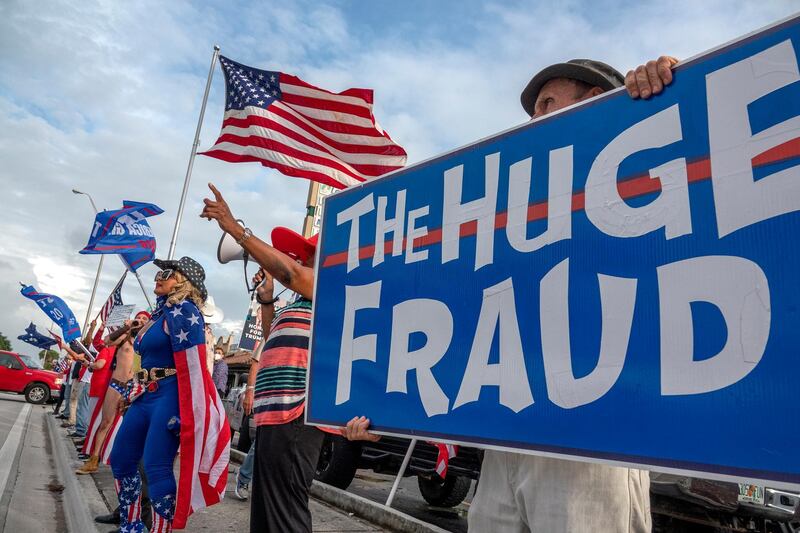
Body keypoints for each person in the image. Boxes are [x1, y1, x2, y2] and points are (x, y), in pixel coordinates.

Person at [342, 56, 679, 533]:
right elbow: (450, 319)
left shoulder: (635, 180)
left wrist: (673, 86)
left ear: (597, 100)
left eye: (547, 103)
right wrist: (383, 406)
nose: (535, 121)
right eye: (533, 112)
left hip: (585, 446)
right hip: (506, 442)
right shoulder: (505, 218)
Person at [202, 184, 336, 533]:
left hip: (296, 415)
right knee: (267, 508)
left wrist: (235, 229)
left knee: (285, 513)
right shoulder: (300, 303)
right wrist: (266, 301)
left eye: (306, 254)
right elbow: (272, 335)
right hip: (276, 415)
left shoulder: (331, 286)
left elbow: (292, 273)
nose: (298, 259)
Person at [109, 257, 230, 532]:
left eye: (166, 273)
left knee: (156, 466)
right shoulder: (159, 315)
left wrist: (187, 411)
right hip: (145, 396)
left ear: (183, 281)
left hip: (170, 396)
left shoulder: (185, 311)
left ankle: (159, 530)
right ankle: (131, 526)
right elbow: (144, 361)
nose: (157, 278)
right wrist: (132, 390)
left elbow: (196, 366)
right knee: (122, 459)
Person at [234, 269, 273, 501]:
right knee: (262, 441)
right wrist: (250, 392)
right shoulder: (273, 329)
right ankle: (244, 478)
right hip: (267, 395)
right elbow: (256, 363)